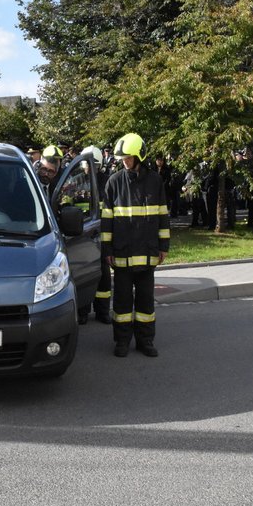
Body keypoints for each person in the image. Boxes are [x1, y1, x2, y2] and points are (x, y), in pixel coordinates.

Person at [101, 133, 170, 358]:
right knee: (121, 304)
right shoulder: (114, 182)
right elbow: (107, 221)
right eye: (123, 158)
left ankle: (145, 341)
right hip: (122, 255)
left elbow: (162, 216)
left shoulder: (155, 181)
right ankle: (121, 342)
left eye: (128, 158)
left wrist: (164, 247)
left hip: (148, 253)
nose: (125, 161)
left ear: (140, 156)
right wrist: (107, 250)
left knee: (145, 303)